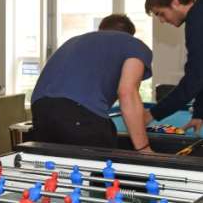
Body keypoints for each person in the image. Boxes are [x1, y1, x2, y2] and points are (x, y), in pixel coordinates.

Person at [30, 14, 153, 151]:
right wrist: (144, 148)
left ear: (101, 29)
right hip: (79, 114)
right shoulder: (134, 44)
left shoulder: (74, 41)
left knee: (57, 169)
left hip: (41, 110)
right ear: (131, 35)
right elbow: (127, 92)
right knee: (101, 170)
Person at [144, 0, 203, 133]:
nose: (162, 21)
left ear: (175, 1)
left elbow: (194, 78)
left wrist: (152, 114)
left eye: (161, 13)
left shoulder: (197, 20)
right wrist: (199, 113)